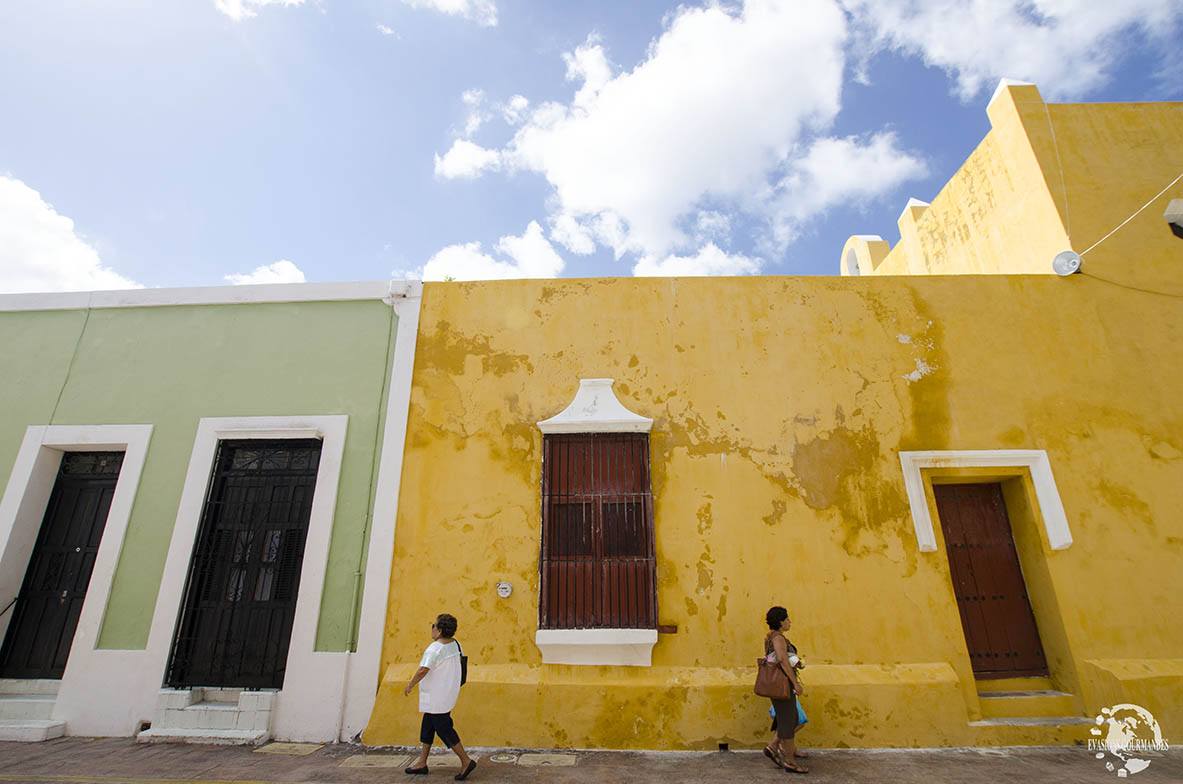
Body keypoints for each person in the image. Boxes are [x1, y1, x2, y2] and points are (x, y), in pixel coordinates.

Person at [403, 613, 476, 780]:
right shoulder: (456, 645)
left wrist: (410, 685)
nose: (432, 628)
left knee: (443, 728)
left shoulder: (434, 648)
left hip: (437, 695)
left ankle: (466, 761)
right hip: (447, 693)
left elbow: (423, 669)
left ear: (440, 630)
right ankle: (422, 762)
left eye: (433, 626)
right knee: (428, 724)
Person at [762, 606, 807, 774]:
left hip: (777, 685)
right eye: (787, 619)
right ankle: (790, 762)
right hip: (782, 685)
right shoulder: (778, 638)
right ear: (781, 622)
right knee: (788, 722)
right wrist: (795, 682)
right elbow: (781, 659)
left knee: (790, 718)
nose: (789, 622)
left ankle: (773, 748)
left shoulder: (771, 637)